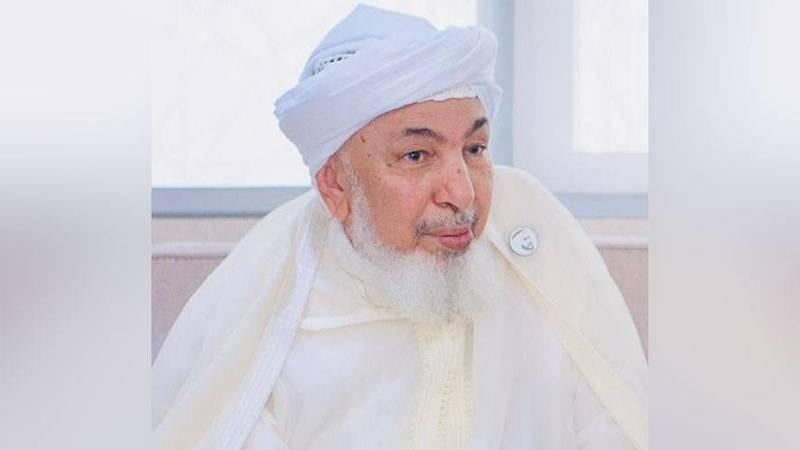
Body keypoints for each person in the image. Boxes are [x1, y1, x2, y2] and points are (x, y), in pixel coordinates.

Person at [153, 5, 647, 450]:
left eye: (475, 149)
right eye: (416, 155)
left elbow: (617, 422)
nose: (463, 194)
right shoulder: (270, 295)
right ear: (335, 186)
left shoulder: (534, 234)